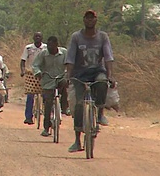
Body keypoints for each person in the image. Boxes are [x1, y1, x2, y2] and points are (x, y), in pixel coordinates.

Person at [65, 10, 115, 153]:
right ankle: (77, 140)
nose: (89, 20)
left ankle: (100, 113)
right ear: (83, 20)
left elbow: (108, 57)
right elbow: (70, 58)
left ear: (96, 20)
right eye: (87, 18)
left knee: (102, 82)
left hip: (97, 71)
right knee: (79, 106)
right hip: (80, 74)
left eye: (92, 18)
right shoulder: (76, 37)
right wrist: (69, 75)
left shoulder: (103, 37)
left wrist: (110, 75)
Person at [32, 36, 69, 137]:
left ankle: (64, 108)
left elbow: (69, 64)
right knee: (48, 103)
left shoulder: (64, 52)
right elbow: (35, 65)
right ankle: (46, 127)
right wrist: (38, 73)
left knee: (65, 85)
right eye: (48, 45)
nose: (49, 48)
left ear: (57, 45)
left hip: (60, 77)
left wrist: (69, 73)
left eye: (51, 46)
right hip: (47, 80)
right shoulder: (43, 54)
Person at [20, 32, 46, 125]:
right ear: (33, 38)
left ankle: (49, 116)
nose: (38, 38)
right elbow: (23, 60)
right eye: (36, 36)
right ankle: (28, 117)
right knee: (30, 95)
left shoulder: (46, 48)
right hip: (31, 73)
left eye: (39, 36)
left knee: (46, 95)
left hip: (44, 73)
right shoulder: (28, 48)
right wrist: (23, 70)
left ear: (42, 38)